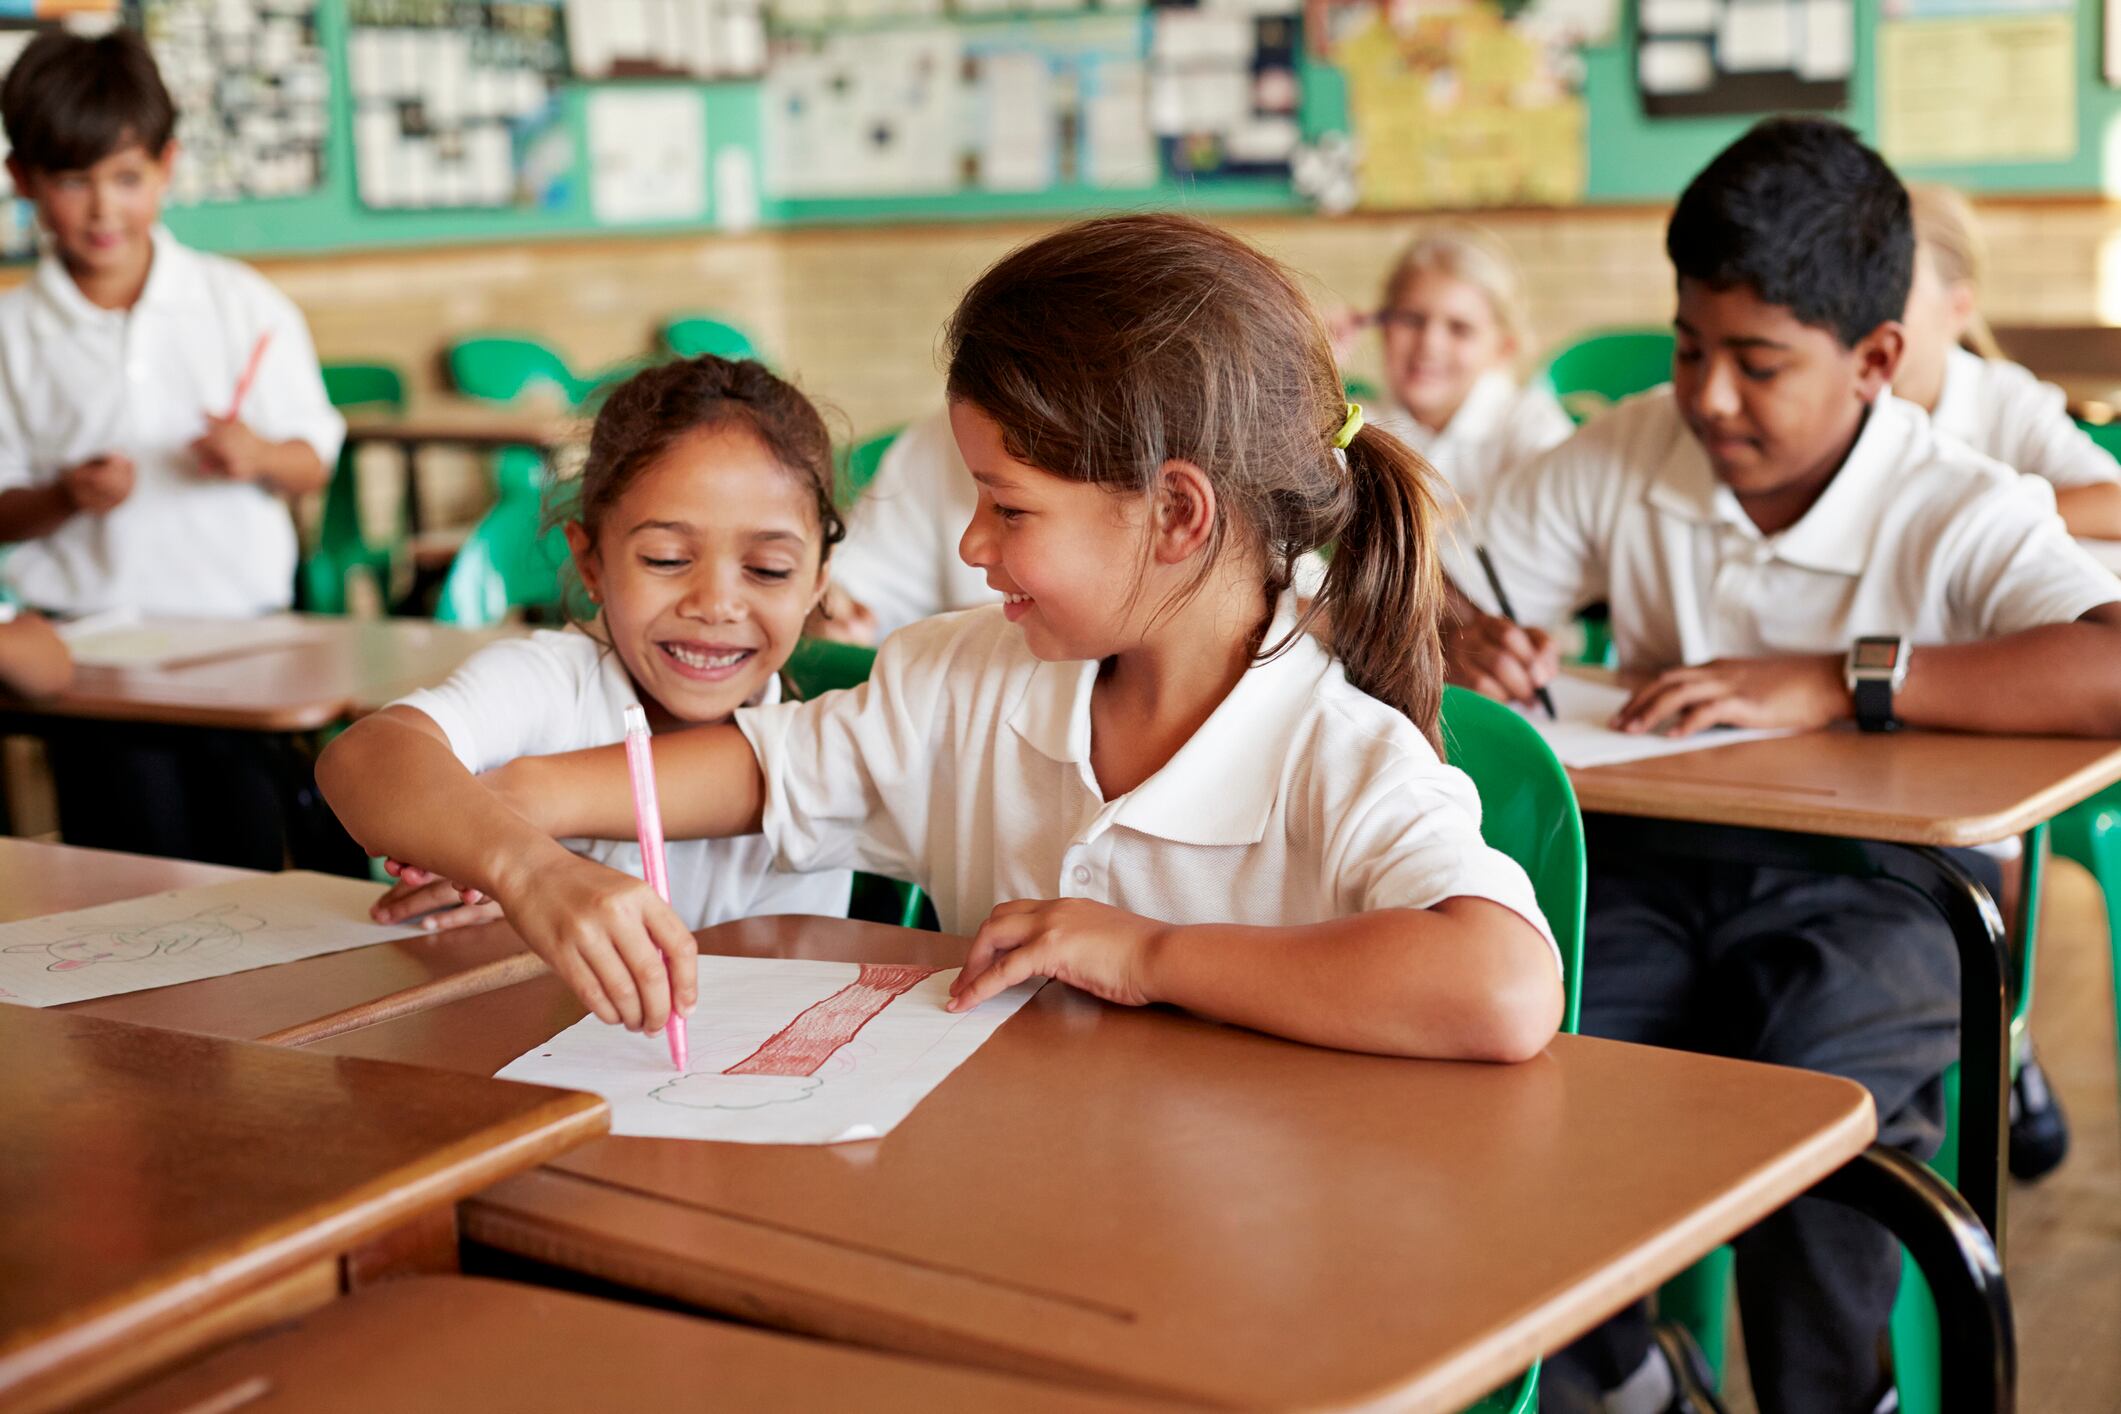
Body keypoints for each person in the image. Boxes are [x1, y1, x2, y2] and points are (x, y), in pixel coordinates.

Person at [322, 213, 1563, 1065]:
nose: (969, 548)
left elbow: (1503, 989)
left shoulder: (1332, 751)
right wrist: (507, 828)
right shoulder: (971, 678)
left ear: (1178, 515)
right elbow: (732, 775)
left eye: (1009, 507)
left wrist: (1147, 952)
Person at [1451, 119, 2121, 1414]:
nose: (1707, 395)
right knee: (1514, 1076)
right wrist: (1456, 631)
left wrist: (1839, 675)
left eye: (1756, 364)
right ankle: (1631, 1381)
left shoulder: (1951, 497)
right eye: (1690, 347)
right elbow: (1445, 587)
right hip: (1641, 865)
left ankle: (1834, 1398)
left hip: (1877, 891)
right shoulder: (1627, 450)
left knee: (1825, 1109)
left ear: (1876, 361)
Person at [325, 356, 853, 935]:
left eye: (769, 569)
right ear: (590, 562)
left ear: (818, 582)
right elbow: (362, 757)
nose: (715, 603)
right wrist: (527, 873)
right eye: (667, 560)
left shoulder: (816, 762)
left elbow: (781, 990)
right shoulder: (548, 683)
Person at [0, 28, 345, 867]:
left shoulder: (240, 305)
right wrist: (65, 498)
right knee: (135, 870)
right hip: (88, 663)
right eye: (72, 180)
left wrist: (260, 456)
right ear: (22, 182)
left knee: (257, 858)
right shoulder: (11, 330)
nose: (102, 208)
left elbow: (316, 459)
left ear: (167, 165)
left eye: (126, 178)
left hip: (245, 645)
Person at [1895, 182, 2121, 538]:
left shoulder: (2003, 397)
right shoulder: (1838, 398)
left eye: (1892, 289)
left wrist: (1972, 524)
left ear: (1957, 308)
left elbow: (2113, 506)